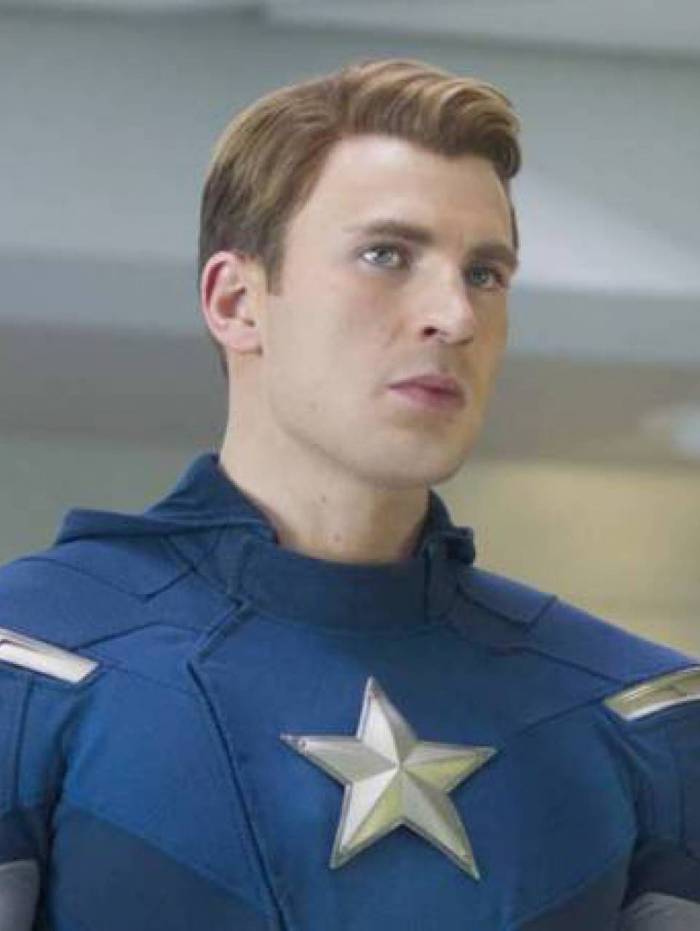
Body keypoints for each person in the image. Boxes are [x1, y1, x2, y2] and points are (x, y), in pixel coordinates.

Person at [0, 57, 698, 931]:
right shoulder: (31, 666)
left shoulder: (643, 718)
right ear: (237, 301)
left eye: (485, 273)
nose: (455, 315)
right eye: (386, 255)